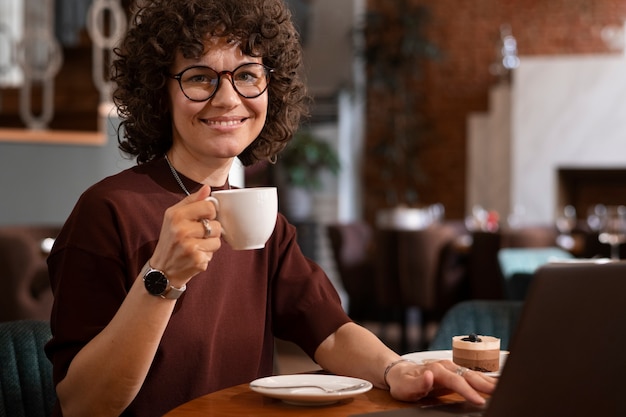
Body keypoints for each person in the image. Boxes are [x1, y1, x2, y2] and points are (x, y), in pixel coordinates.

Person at [44, 1, 496, 416]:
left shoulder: (263, 222)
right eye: (200, 76)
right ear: (159, 91)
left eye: (247, 75)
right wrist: (161, 280)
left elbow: (332, 332)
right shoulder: (107, 212)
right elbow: (83, 405)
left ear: (269, 87)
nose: (227, 98)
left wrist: (395, 369)